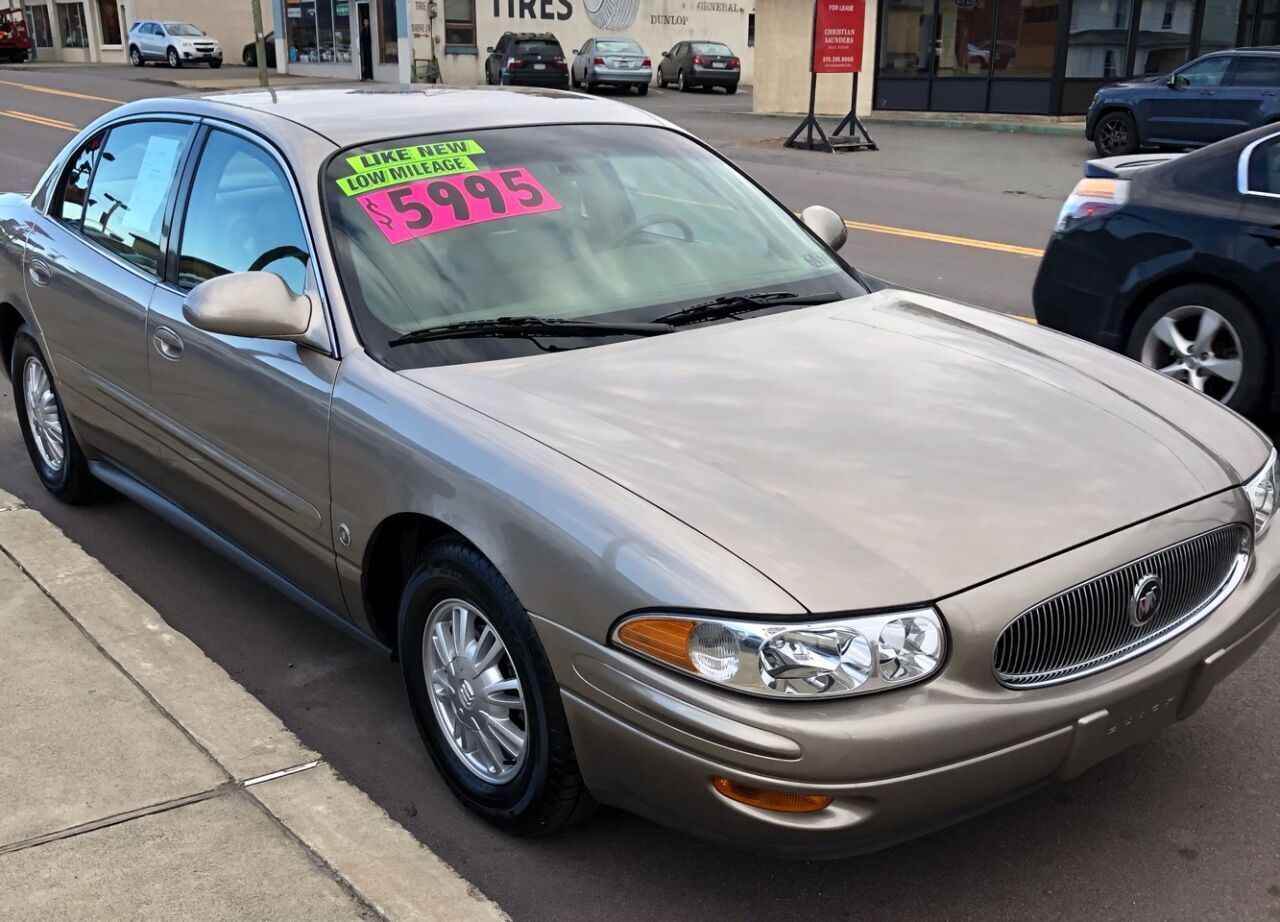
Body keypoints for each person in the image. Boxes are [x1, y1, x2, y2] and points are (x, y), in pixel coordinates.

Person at [359, 14, 372, 79]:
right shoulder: (363, 30)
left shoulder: (370, 29)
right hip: (364, 47)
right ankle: (366, 75)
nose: (366, 23)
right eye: (365, 22)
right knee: (365, 61)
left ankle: (370, 75)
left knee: (369, 61)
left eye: (367, 22)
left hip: (369, 47)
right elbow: (361, 38)